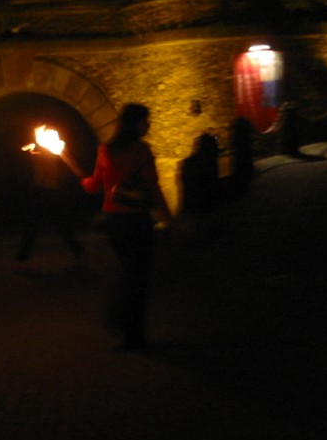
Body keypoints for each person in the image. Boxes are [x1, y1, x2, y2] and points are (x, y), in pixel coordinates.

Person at [78, 103, 173, 350]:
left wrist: (85, 182)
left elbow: (95, 186)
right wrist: (168, 219)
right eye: (145, 120)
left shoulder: (104, 150)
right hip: (136, 221)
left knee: (129, 273)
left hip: (113, 222)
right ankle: (131, 331)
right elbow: (153, 188)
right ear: (135, 123)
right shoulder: (141, 151)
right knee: (138, 278)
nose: (148, 125)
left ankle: (123, 324)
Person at [15, 143, 85, 264]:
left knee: (59, 224)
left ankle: (79, 252)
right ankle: (22, 257)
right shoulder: (37, 155)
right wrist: (33, 146)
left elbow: (68, 158)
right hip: (40, 191)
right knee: (35, 225)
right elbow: (24, 148)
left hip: (50, 191)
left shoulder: (53, 155)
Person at [180, 133, 220, 241]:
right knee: (203, 224)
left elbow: (184, 179)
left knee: (194, 224)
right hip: (205, 200)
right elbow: (213, 182)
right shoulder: (210, 162)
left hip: (191, 199)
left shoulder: (189, 162)